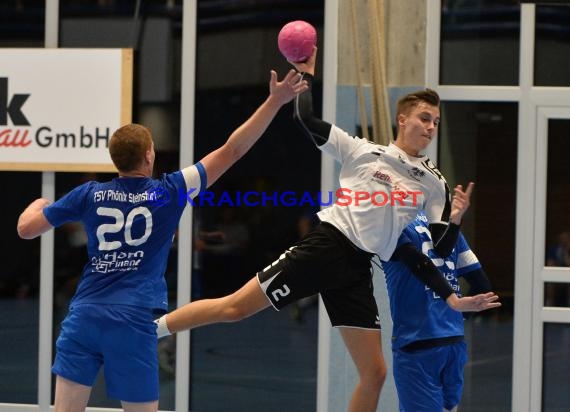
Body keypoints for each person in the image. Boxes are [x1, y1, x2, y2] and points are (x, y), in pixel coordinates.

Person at [154, 47, 500, 412]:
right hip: (326, 247)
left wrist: (457, 218)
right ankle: (153, 330)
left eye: (436, 122)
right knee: (234, 309)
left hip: (357, 268)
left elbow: (440, 250)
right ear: (402, 119)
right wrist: (307, 73)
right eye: (424, 118)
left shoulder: (434, 183)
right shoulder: (363, 151)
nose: (431, 127)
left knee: (375, 373)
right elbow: (307, 119)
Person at [16, 69, 308, 412]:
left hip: (84, 316)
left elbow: (27, 229)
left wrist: (40, 204)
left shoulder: (89, 194)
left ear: (115, 160)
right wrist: (275, 101)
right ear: (150, 156)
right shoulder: (169, 192)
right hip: (133, 319)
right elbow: (232, 151)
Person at [383, 211, 499, 412]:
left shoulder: (393, 223)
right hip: (453, 342)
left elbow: (420, 264)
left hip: (418, 341)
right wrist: (456, 312)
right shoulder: (446, 227)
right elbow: (482, 284)